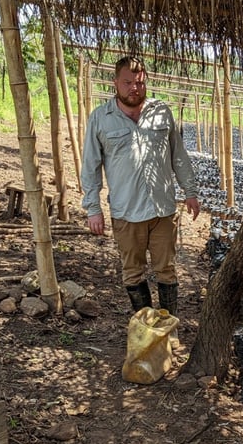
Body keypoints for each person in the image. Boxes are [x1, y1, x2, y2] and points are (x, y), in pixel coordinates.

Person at [81, 56, 200, 329]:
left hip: (163, 210)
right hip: (126, 213)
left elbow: (178, 155)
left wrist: (190, 191)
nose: (135, 87)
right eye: (128, 83)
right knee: (133, 272)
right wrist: (93, 208)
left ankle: (167, 329)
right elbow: (90, 166)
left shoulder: (161, 112)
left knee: (166, 270)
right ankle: (147, 328)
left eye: (140, 82)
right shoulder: (101, 118)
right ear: (116, 83)